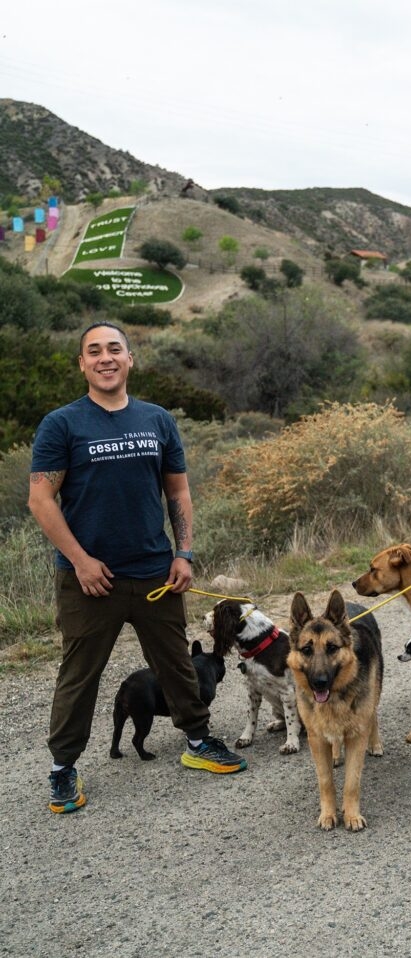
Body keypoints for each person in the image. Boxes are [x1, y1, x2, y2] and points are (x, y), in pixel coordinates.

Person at [29, 322, 246, 814]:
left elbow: (178, 491)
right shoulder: (61, 424)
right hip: (90, 579)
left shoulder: (157, 420)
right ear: (82, 364)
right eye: (93, 351)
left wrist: (183, 554)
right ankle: (63, 769)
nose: (105, 358)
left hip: (155, 574)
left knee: (175, 662)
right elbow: (41, 500)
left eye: (114, 349)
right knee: (80, 675)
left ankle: (197, 742)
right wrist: (81, 561)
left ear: (130, 359)